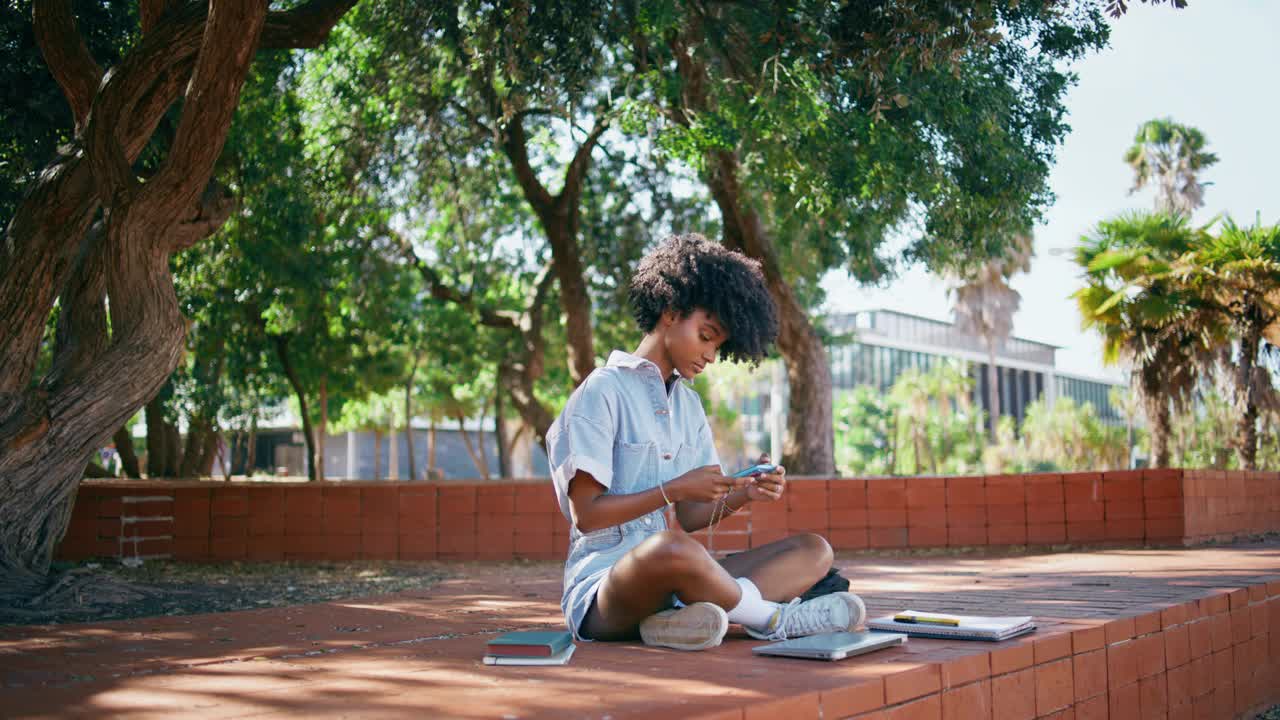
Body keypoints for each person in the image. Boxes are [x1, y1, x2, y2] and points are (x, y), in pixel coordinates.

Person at [547, 233, 866, 651]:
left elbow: (694, 515)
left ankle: (676, 621)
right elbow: (586, 516)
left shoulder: (689, 407)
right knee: (670, 549)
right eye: (706, 335)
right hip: (605, 591)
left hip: (679, 577)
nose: (712, 355)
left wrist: (743, 492)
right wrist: (673, 489)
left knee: (814, 551)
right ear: (670, 311)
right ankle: (773, 619)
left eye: (718, 344)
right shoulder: (601, 392)